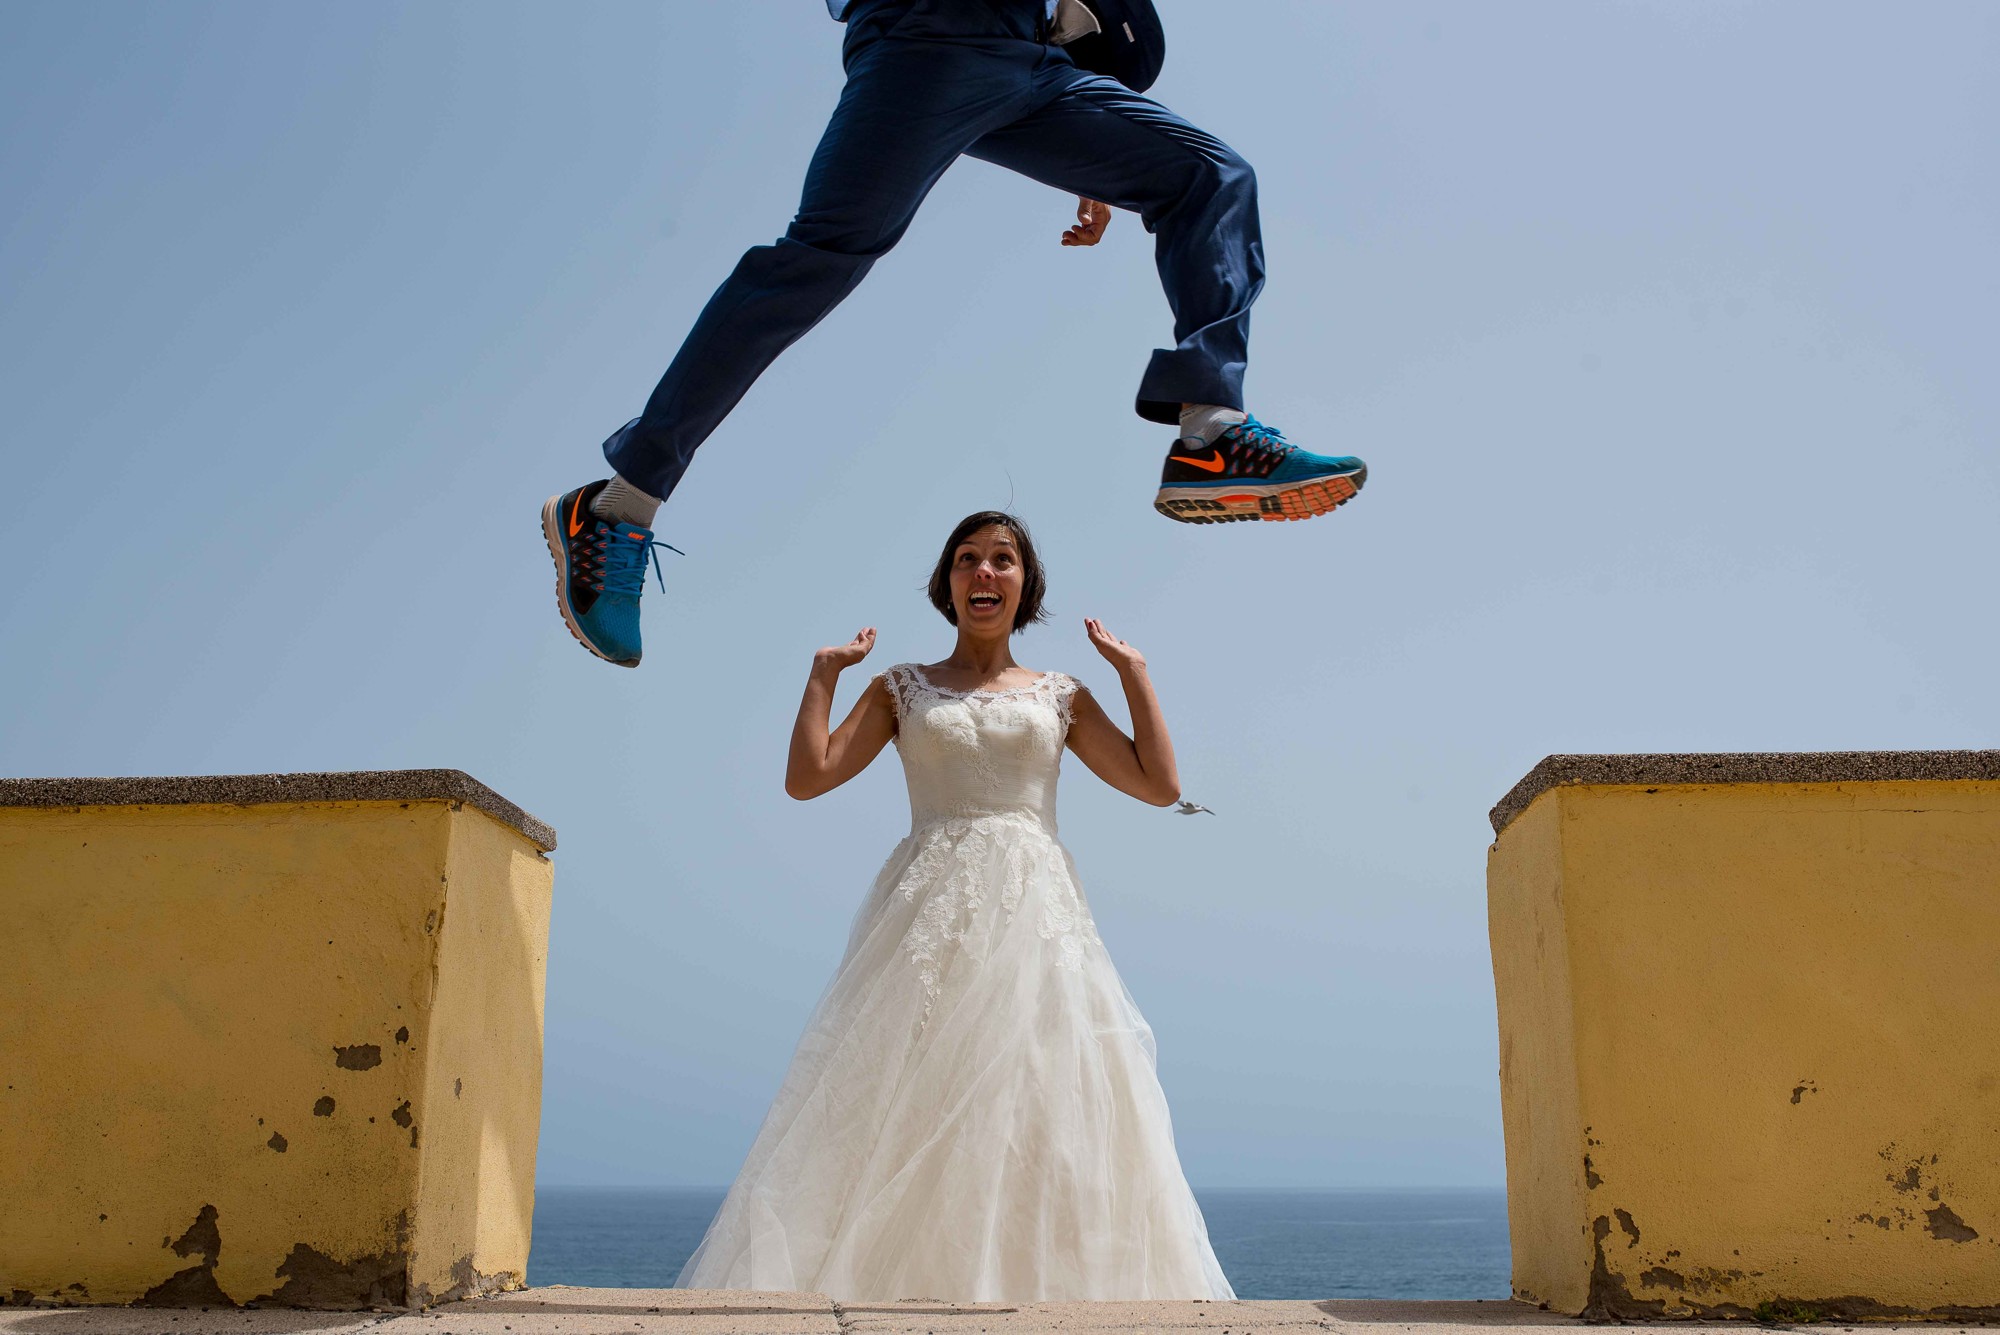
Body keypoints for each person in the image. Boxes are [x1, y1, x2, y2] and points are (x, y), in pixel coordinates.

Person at [542, 0, 1368, 668]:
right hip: (925, 34)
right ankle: (618, 506)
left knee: (1209, 175)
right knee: (818, 261)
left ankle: (1211, 434)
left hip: (1028, 62)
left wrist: (1102, 160)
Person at [676, 511, 1233, 1301]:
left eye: (1002, 560)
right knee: (903, 1099)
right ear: (946, 585)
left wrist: (1134, 673)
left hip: (1035, 915)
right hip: (924, 914)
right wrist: (822, 675)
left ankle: (1025, 1289)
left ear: (1024, 586)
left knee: (1040, 1101)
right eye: (967, 560)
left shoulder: (1060, 694)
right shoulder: (901, 687)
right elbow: (809, 776)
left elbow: (1158, 784)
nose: (984, 572)